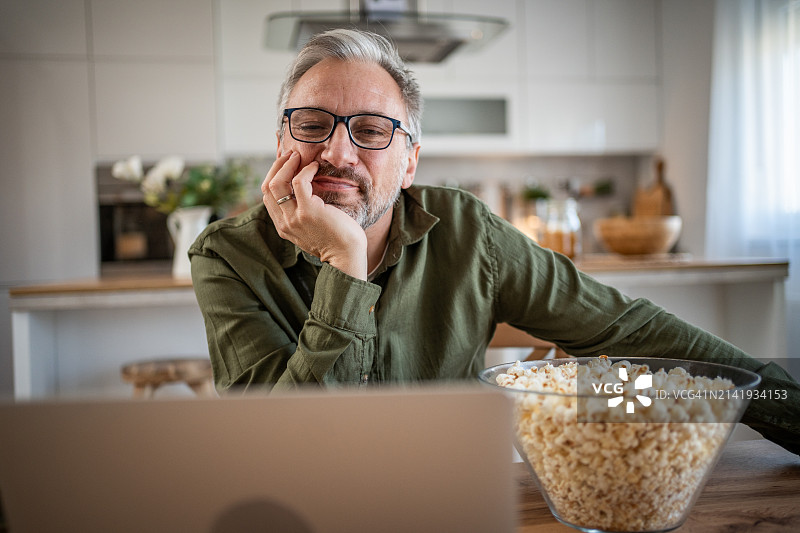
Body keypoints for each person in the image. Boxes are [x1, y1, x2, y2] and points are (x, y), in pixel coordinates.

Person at [189, 29, 798, 453]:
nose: (337, 151)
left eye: (372, 131)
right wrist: (345, 266)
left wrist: (789, 409)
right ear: (281, 143)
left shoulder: (468, 232)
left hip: (457, 500)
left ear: (410, 163)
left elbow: (631, 332)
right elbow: (282, 453)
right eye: (312, 125)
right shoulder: (227, 255)